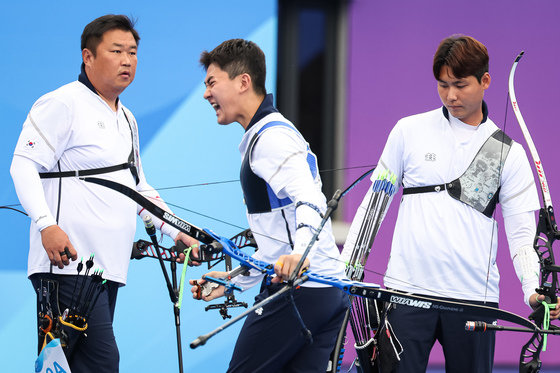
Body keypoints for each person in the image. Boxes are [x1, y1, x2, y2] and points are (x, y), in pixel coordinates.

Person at [343, 34, 560, 372]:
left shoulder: (508, 153)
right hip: (407, 294)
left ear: (485, 81)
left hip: (474, 300)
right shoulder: (409, 131)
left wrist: (533, 289)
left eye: (460, 84)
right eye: (443, 85)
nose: (451, 95)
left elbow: (521, 235)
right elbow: (375, 205)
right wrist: (347, 269)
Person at [10, 14, 197, 372]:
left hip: (105, 270)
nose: (127, 60)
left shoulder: (127, 118)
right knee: (101, 363)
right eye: (116, 51)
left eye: (133, 52)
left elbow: (138, 189)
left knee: (69, 366)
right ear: (88, 56)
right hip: (66, 266)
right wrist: (47, 224)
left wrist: (179, 231)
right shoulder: (62, 102)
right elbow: (22, 165)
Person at [189, 39, 348, 372]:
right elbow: (279, 242)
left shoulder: (271, 138)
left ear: (243, 81)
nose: (206, 94)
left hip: (302, 291)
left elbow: (310, 200)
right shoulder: (265, 135)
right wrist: (234, 280)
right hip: (324, 292)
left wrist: (300, 255)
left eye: (212, 83)